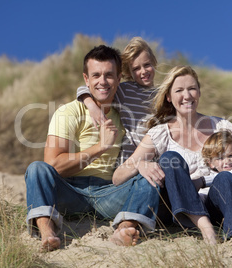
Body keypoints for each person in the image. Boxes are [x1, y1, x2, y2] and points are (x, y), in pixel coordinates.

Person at [113, 65, 232, 246]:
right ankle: (206, 229)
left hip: (217, 206)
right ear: (168, 96)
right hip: (178, 212)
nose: (187, 96)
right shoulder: (160, 133)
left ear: (199, 92)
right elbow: (117, 177)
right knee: (169, 158)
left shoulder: (222, 127)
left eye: (192, 89)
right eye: (179, 90)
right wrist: (140, 164)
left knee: (224, 178)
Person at [24, 45, 160, 251]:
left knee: (149, 175)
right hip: (70, 191)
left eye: (109, 75)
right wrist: (101, 146)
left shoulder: (125, 112)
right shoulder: (68, 112)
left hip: (110, 192)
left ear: (119, 78)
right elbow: (54, 165)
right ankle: (47, 231)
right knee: (37, 169)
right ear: (86, 79)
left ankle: (124, 228)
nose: (102, 81)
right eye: (96, 75)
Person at [76, 37, 157, 166]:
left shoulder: (163, 93)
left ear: (154, 62)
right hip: (130, 159)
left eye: (147, 65)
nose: (143, 71)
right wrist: (92, 106)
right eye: (136, 68)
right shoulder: (125, 90)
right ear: (129, 72)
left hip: (157, 156)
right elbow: (83, 89)